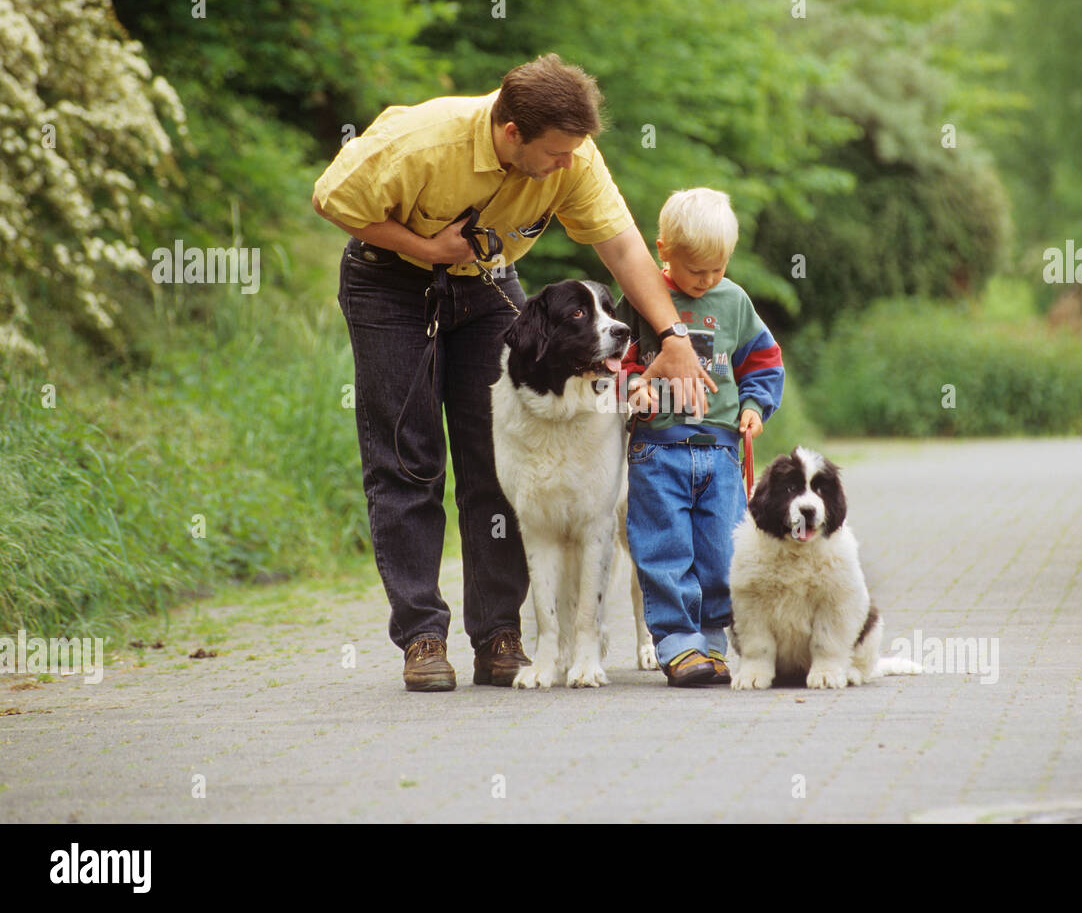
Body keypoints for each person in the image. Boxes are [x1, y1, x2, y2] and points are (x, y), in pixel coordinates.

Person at [311, 54, 716, 692]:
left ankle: (498, 633)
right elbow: (330, 197)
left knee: (494, 462)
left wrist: (673, 335)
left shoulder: (573, 157)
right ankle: (422, 636)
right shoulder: (423, 140)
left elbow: (621, 246)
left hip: (486, 283)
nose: (566, 166)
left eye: (573, 153)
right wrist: (423, 248)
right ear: (510, 135)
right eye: (555, 154)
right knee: (407, 456)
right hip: (388, 281)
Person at [617, 188, 785, 687]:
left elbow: (763, 361)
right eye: (696, 271)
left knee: (721, 549)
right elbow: (612, 360)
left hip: (719, 452)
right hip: (656, 452)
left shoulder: (734, 301)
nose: (707, 280)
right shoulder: (641, 295)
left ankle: (711, 643)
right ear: (663, 249)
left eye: (717, 269)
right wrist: (633, 389)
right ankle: (676, 644)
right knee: (663, 548)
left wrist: (754, 408)